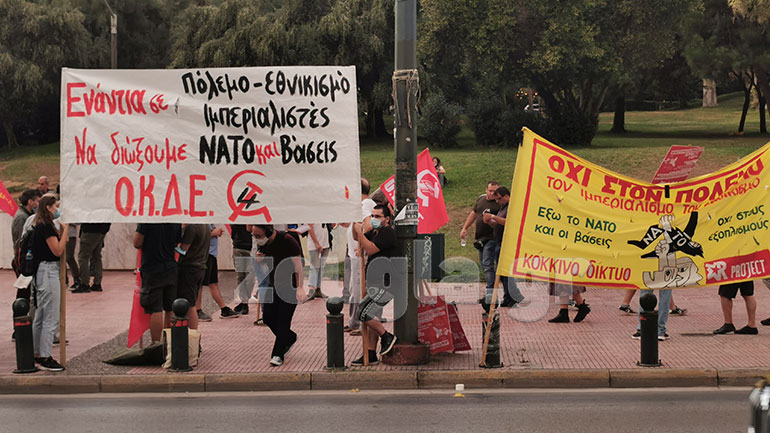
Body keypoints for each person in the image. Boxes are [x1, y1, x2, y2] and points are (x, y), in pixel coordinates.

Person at [250, 224, 306, 366]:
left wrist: (300, 287)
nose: (257, 239)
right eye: (254, 235)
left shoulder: (288, 240)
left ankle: (277, 354)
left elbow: (298, 265)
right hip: (273, 284)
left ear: (269, 232)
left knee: (283, 321)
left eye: (258, 236)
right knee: (268, 317)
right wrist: (259, 259)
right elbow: (262, 263)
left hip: (290, 286)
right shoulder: (264, 244)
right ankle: (289, 337)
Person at [351, 204, 398, 365]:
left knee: (363, 312)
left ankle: (387, 336)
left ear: (386, 219)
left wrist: (360, 233)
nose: (374, 219)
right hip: (373, 281)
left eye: (378, 216)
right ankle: (370, 353)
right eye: (372, 216)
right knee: (372, 315)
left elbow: (370, 249)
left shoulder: (388, 233)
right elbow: (358, 238)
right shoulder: (376, 232)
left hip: (385, 283)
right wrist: (355, 224)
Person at [31, 194, 68, 371]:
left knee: (40, 315)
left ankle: (36, 352)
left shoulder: (40, 224)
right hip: (48, 272)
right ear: (48, 208)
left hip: (41, 272)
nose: (57, 210)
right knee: (50, 316)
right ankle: (46, 355)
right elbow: (58, 251)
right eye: (55, 206)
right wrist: (66, 230)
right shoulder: (46, 227)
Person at [134, 223, 182, 342]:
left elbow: (137, 243)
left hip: (152, 269)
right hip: (170, 267)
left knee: (155, 309)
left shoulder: (147, 220)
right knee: (170, 308)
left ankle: (156, 345)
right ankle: (170, 343)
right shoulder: (174, 220)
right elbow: (177, 242)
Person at [341, 178, 377, 335]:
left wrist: (361, 245)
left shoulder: (365, 205)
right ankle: (354, 321)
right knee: (354, 289)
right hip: (355, 253)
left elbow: (368, 225)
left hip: (359, 254)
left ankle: (361, 323)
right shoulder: (361, 206)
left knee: (359, 290)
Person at [482, 186, 525, 307]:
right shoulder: (503, 207)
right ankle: (508, 296)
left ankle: (514, 296)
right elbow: (499, 226)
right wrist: (490, 221)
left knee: (507, 273)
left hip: (508, 244)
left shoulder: (512, 206)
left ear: (506, 196)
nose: (497, 201)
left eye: (499, 199)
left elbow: (509, 222)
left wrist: (493, 217)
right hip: (500, 242)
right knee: (503, 273)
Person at [460, 181, 500, 298]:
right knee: (484, 265)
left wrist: (491, 220)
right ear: (486, 190)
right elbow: (473, 213)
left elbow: (501, 223)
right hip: (480, 238)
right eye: (490, 190)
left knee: (488, 264)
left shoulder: (498, 204)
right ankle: (490, 289)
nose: (493, 193)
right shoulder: (481, 200)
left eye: (495, 191)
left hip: (492, 238)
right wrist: (464, 228)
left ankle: (490, 292)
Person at [196, 224, 239, 321]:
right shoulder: (202, 219)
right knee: (200, 284)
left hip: (211, 254)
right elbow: (198, 234)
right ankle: (197, 310)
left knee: (213, 283)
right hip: (205, 254)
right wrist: (213, 233)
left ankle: (224, 309)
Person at [176, 224, 210, 331]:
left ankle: (193, 337)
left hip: (189, 268)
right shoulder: (205, 225)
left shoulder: (192, 227)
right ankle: (193, 336)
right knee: (192, 302)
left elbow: (184, 249)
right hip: (200, 266)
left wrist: (173, 248)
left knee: (189, 305)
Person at [11, 189, 41, 279]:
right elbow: (20, 241)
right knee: (24, 290)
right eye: (38, 201)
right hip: (23, 260)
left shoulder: (28, 215)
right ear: (30, 202)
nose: (39, 204)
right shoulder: (22, 217)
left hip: (26, 258)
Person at [75, 222, 110, 293]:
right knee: (96, 257)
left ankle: (84, 284)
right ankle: (97, 283)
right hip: (102, 230)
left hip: (90, 229)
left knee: (83, 257)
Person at [231, 224, 254, 315]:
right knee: (240, 276)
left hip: (250, 247)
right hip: (238, 246)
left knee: (249, 277)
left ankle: (245, 300)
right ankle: (244, 301)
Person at [306, 223, 331, 300]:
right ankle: (311, 289)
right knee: (314, 266)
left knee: (321, 267)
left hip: (325, 243)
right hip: (314, 244)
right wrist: (317, 243)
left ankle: (318, 289)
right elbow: (309, 228)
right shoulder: (312, 213)